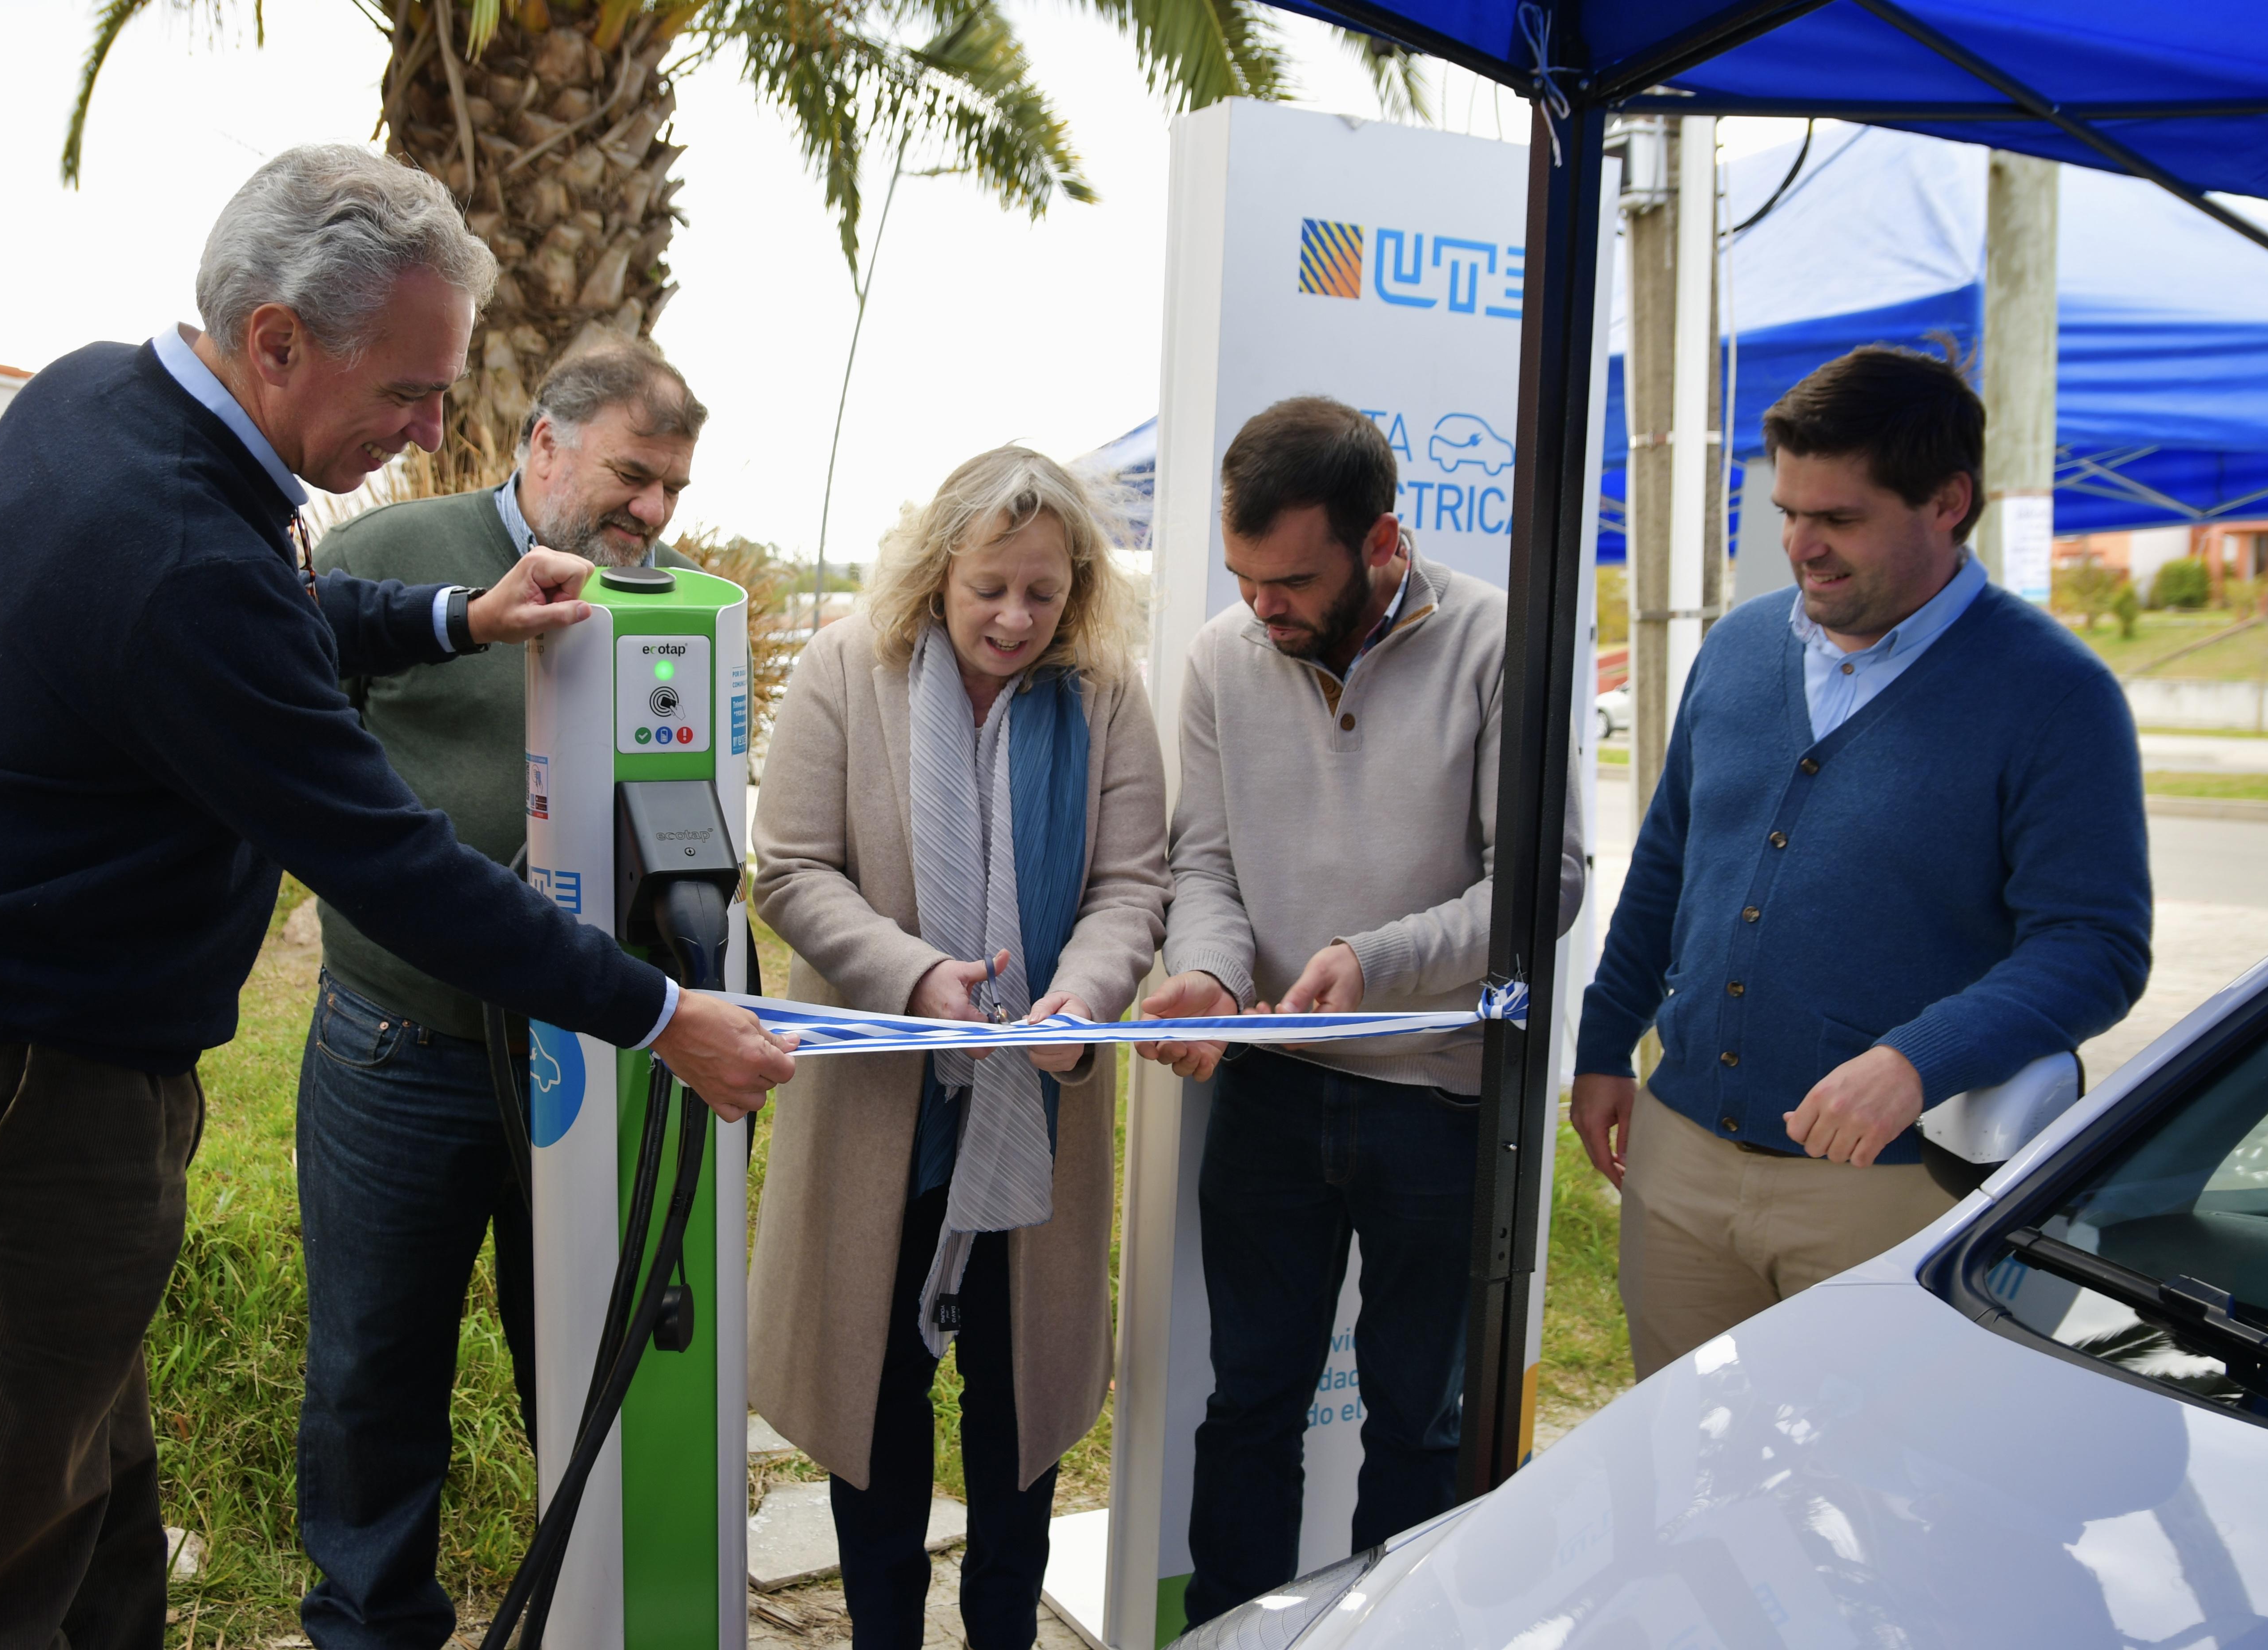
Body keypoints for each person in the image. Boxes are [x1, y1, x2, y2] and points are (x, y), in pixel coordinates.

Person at [0, 145, 794, 1650]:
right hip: (2, 1082)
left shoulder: (109, 402)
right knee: (3, 1542)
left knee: (88, 1504)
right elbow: (387, 859)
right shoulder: (173, 546)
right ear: (274, 338)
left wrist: (447, 616)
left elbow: (273, 616)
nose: (425, 435)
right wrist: (663, 1013)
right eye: (407, 393)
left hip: (35, 1058)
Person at [1570, 344, 2151, 1381]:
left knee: (1874, 1506)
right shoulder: (1739, 648)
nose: (1802, 545)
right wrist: (1606, 1043)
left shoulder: (2056, 695)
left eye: (1838, 519)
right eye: (1790, 512)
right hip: (1684, 1161)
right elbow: (1668, 861)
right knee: (1682, 1489)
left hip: (1891, 1192)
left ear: (1947, 502)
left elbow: (2096, 944)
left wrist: (1915, 1057)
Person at [1136, 396, 1585, 1629]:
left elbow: (1542, 881)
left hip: (1441, 1101)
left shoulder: (1502, 641)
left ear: (1381, 543)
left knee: (1421, 1426)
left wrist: (1370, 962)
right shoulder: (1225, 657)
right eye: (1244, 578)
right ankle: (1234, 1629)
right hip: (1270, 1094)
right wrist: (1218, 980)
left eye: (1288, 581)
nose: (1261, 607)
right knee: (1250, 1408)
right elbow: (1207, 869)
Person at [295, 336, 707, 1645]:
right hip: (396, 1047)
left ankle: (587, 1613)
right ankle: (372, 1625)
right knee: (375, 1370)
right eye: (632, 476)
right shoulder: (398, 555)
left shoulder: (676, 606)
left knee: (588, 1351)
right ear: (544, 444)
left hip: (591, 1052)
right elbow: (291, 748)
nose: (650, 512)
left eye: (673, 492)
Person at [749, 448, 1167, 1650]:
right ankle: (883, 1631)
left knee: (1015, 1401)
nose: (1016, 617)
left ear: (1079, 585)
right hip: (886, 1107)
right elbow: (790, 867)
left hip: (1034, 1111)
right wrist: (917, 978)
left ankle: (1002, 1632)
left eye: (1043, 592)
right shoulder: (846, 667)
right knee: (875, 1400)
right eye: (991, 588)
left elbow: (1133, 884)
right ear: (938, 573)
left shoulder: (1107, 693)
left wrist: (1082, 1000)